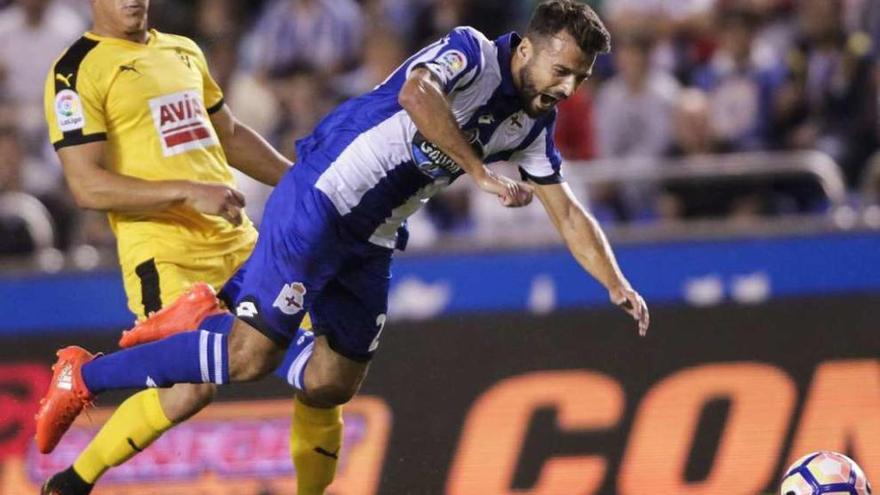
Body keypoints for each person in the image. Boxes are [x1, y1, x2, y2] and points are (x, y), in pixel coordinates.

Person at [35, 1, 651, 481]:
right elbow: (418, 94)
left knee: (331, 381)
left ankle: (214, 315)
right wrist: (478, 171)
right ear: (529, 51)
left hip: (373, 235)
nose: (569, 87)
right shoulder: (470, 51)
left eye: (581, 77)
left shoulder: (532, 122)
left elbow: (567, 211)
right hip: (320, 203)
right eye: (562, 70)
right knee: (249, 359)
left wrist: (615, 281)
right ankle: (86, 379)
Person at [37, 1, 342, 494]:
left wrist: (307, 188)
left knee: (326, 371)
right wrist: (185, 189)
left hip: (237, 240)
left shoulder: (182, 50)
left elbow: (230, 135)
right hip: (164, 252)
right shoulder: (76, 71)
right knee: (191, 390)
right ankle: (75, 474)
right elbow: (87, 187)